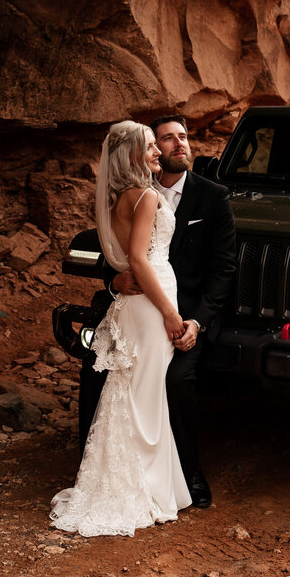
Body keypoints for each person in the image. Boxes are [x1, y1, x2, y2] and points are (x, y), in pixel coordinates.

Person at [49, 120, 192, 536]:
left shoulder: (119, 199)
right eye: (149, 147)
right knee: (146, 398)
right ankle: (143, 490)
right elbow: (139, 260)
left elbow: (125, 260)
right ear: (131, 154)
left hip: (134, 304)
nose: (156, 153)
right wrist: (168, 312)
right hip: (150, 305)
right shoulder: (146, 196)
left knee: (131, 394)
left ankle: (132, 484)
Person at [109, 114, 237, 509]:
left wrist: (197, 322)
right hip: (145, 310)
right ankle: (111, 468)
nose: (179, 143)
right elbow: (113, 254)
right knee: (111, 374)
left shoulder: (213, 196)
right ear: (150, 150)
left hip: (188, 318)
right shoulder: (137, 192)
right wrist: (113, 282)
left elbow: (224, 269)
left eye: (183, 136)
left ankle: (187, 472)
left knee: (177, 377)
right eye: (166, 139)